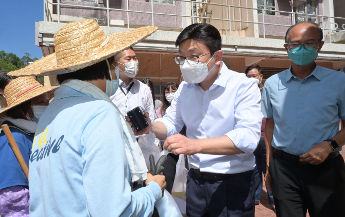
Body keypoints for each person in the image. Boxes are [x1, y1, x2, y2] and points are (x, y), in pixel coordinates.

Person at [24, 19, 165, 216]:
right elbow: (114, 210)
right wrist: (153, 191)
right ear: (105, 66)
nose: (116, 72)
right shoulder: (99, 112)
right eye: (114, 64)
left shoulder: (50, 113)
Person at [138, 23, 262, 216]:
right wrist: (151, 126)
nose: (187, 63)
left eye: (194, 56)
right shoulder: (185, 88)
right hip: (195, 181)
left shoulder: (243, 86)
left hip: (232, 184)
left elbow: (247, 138)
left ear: (217, 57)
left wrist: (195, 145)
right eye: (182, 57)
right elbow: (171, 124)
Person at [262, 22, 345, 217]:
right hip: (284, 169)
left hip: (326, 169)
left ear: (320, 45)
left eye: (309, 43)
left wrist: (329, 145)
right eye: (295, 44)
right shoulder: (273, 83)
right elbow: (270, 126)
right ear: (286, 48)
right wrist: (269, 165)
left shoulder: (338, 82)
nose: (301, 49)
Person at [0, 76, 55, 216]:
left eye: (47, 101)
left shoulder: (32, 134)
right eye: (41, 102)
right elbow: (11, 200)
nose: (46, 106)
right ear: (24, 108)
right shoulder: (12, 141)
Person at [109, 47, 159, 169]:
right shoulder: (109, 89)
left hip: (141, 151)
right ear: (117, 63)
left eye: (135, 58)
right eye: (128, 58)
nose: (133, 62)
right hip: (115, 150)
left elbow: (150, 120)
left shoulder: (144, 89)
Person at [245, 65, 274, 209]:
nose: (251, 79)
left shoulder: (267, 92)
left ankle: (272, 197)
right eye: (248, 76)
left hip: (266, 138)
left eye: (254, 76)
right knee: (254, 170)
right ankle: (256, 197)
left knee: (269, 168)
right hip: (251, 139)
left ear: (261, 77)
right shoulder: (243, 94)